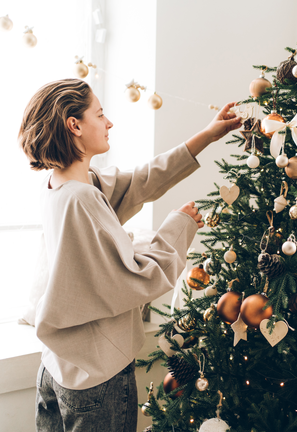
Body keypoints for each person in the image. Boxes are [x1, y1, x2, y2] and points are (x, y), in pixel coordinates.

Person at [18, 78, 242, 432]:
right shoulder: (82, 198)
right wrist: (180, 225)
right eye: (100, 114)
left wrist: (205, 137)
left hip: (57, 368)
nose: (109, 123)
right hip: (96, 377)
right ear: (74, 125)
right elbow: (136, 278)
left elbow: (140, 181)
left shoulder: (63, 185)